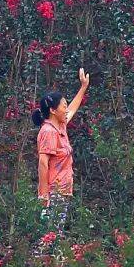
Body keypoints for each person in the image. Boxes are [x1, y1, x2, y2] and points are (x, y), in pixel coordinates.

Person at [32, 68, 90, 236]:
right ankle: (45, 261)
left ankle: (50, 261)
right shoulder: (48, 131)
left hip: (63, 192)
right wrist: (44, 198)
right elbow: (43, 164)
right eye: (63, 106)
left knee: (55, 234)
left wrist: (83, 87)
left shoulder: (60, 125)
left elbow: (72, 109)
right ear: (53, 110)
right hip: (53, 192)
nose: (66, 109)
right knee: (51, 236)